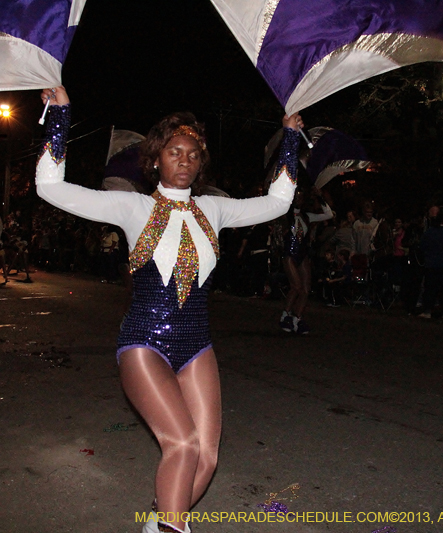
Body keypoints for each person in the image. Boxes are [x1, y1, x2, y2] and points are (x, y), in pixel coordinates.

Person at [35, 86, 301, 533]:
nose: (184, 160)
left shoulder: (214, 209)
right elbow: (49, 187)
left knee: (207, 456)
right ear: (156, 158)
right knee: (181, 444)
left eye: (193, 154)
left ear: (201, 164)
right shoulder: (131, 206)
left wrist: (290, 139)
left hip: (197, 345)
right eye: (174, 151)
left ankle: (160, 523)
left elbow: (278, 203)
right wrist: (59, 116)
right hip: (144, 342)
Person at [279, 188, 333, 334]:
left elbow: (329, 214)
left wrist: (320, 197)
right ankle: (285, 315)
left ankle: (297, 318)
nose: (299, 199)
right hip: (289, 253)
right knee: (295, 286)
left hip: (302, 254)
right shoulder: (285, 216)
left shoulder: (307, 216)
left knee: (305, 289)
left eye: (301, 197)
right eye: (296, 197)